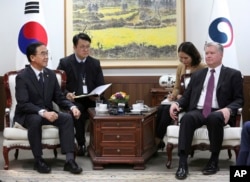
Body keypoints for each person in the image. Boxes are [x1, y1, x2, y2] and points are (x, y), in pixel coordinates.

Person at [169, 42, 244, 179]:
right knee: (187, 118)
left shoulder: (233, 74)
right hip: (198, 110)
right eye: (207, 53)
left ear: (221, 55)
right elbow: (186, 97)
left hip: (218, 111)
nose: (208, 56)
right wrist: (177, 104)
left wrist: (228, 109)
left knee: (214, 118)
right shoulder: (198, 75)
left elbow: (239, 100)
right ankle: (183, 163)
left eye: (212, 53)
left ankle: (214, 160)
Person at [14, 42, 83, 174]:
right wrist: (43, 112)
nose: (46, 57)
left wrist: (72, 106)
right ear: (32, 58)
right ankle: (38, 160)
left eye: (47, 53)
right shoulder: (22, 77)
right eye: (43, 53)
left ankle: (69, 160)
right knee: (35, 120)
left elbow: (59, 98)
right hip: (28, 114)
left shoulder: (50, 75)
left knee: (67, 118)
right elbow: (23, 103)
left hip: (47, 113)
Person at [57, 32, 106, 156]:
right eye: (82, 47)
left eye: (88, 46)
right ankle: (81, 143)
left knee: (108, 107)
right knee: (78, 111)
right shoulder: (65, 63)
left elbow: (101, 84)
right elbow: (59, 86)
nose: (86, 49)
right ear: (74, 47)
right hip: (74, 100)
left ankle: (103, 144)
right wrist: (67, 94)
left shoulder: (95, 63)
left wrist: (96, 95)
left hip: (91, 99)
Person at [155, 42, 207, 150]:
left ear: (193, 55)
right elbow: (177, 87)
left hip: (193, 102)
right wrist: (173, 95)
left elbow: (202, 90)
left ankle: (157, 140)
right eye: (181, 58)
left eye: (186, 58)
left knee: (167, 110)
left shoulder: (202, 67)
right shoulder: (180, 67)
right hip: (180, 99)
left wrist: (182, 98)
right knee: (161, 109)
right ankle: (156, 139)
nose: (183, 61)